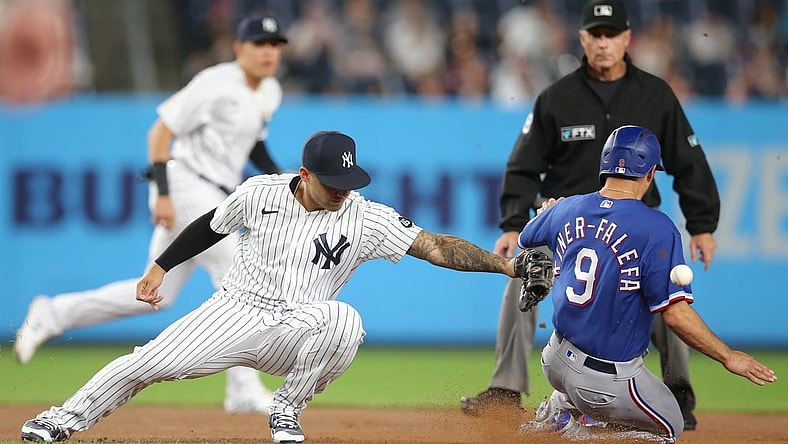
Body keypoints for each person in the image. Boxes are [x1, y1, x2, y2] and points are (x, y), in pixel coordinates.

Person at [19, 130, 533, 444]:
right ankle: (63, 419)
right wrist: (159, 265)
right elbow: (207, 226)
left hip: (298, 322)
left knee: (346, 321)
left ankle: (286, 411)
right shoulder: (260, 191)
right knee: (146, 363)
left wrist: (508, 268)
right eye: (332, 182)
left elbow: (436, 246)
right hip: (234, 309)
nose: (342, 192)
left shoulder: (364, 216)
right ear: (304, 173)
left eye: (350, 182)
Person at [460, 0, 720, 431]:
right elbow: (523, 166)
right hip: (569, 228)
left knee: (670, 293)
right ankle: (506, 389)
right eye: (595, 35)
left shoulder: (655, 95)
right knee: (524, 275)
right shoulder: (556, 98)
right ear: (582, 39)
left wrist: (703, 225)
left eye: (611, 34)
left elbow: (689, 162)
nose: (603, 43)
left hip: (634, 229)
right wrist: (512, 223)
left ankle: (678, 394)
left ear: (626, 38)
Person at [13, 14, 289, 415]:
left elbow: (254, 147)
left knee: (152, 294)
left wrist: (287, 182)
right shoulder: (215, 83)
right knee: (239, 273)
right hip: (185, 183)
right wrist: (161, 193)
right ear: (239, 48)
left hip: (215, 190)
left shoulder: (270, 92)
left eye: (275, 45)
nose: (269, 52)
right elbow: (159, 133)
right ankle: (243, 387)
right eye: (260, 44)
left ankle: (53, 313)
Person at [515, 124, 776, 442]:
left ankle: (560, 408)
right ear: (650, 172)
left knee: (589, 378)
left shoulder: (568, 207)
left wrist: (549, 210)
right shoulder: (656, 227)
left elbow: (528, 236)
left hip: (554, 359)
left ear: (605, 167)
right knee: (670, 428)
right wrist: (727, 355)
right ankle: (576, 432)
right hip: (603, 382)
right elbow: (675, 315)